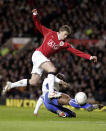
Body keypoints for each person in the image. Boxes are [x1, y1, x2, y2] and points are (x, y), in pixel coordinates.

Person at [2, 9, 97, 98]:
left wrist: (90, 57)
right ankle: (51, 92)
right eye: (65, 34)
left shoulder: (64, 44)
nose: (65, 36)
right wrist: (35, 16)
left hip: (42, 60)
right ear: (60, 31)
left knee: (34, 81)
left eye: (67, 35)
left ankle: (11, 85)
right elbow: (38, 25)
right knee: (52, 68)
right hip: (38, 54)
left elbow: (77, 52)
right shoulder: (49, 33)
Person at [34, 73, 103, 117]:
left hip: (48, 105)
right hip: (50, 95)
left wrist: (35, 111)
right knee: (68, 100)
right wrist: (61, 82)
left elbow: (41, 98)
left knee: (72, 114)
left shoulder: (52, 86)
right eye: (63, 80)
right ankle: (87, 106)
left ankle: (60, 112)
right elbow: (52, 77)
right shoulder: (50, 79)